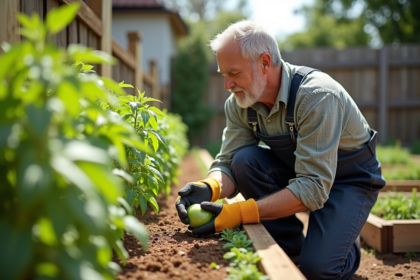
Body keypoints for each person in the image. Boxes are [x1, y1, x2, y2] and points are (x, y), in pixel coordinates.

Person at [175, 20, 385, 280]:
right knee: (245, 161)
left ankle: (342, 242)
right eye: (223, 74)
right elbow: (228, 162)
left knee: (319, 270)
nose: (227, 84)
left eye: (234, 73)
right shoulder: (241, 103)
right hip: (301, 171)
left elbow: (313, 187)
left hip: (348, 179)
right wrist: (210, 187)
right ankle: (291, 247)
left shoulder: (317, 96)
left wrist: (241, 212)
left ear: (264, 63)